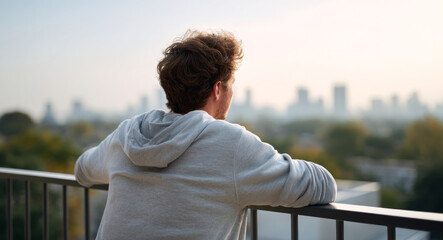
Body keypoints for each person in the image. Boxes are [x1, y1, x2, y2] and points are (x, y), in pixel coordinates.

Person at [74, 30, 337, 240]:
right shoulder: (231, 144)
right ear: (217, 90)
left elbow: (82, 171)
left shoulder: (127, 134)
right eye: (232, 84)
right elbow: (324, 185)